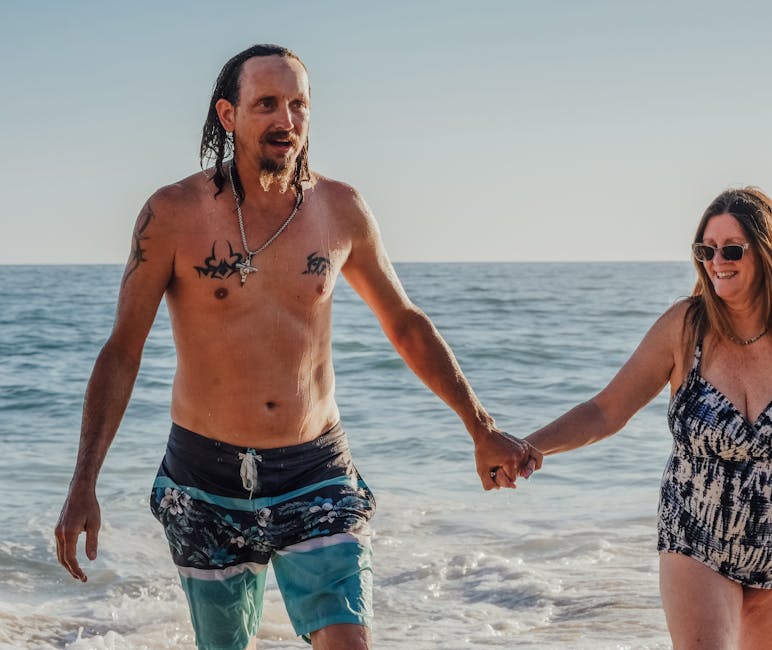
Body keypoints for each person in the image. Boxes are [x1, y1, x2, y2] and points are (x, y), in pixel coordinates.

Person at [55, 44, 541, 650]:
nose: (286, 119)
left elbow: (406, 323)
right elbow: (123, 351)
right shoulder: (172, 214)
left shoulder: (341, 209)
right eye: (267, 104)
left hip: (316, 470)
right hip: (204, 481)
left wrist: (480, 425)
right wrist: (84, 483)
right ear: (228, 116)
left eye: (298, 104)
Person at [524, 187, 772, 648]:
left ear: (769, 253)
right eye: (705, 250)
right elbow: (606, 410)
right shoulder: (685, 328)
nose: (716, 261)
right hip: (695, 537)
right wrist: (529, 446)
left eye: (731, 249)